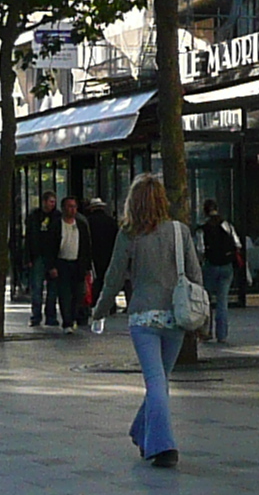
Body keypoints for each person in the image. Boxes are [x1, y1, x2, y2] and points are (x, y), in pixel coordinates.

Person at [93, 174, 203, 468]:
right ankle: (144, 433)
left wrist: (100, 309)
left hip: (143, 317)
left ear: (134, 203)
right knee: (160, 380)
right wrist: (204, 317)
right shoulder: (180, 232)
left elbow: (114, 276)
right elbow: (195, 275)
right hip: (176, 318)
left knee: (156, 381)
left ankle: (163, 446)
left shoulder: (128, 235)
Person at [197, 206, 241, 346]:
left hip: (210, 266)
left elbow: (200, 249)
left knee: (206, 300)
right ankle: (221, 335)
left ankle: (206, 332)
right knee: (222, 302)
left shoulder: (203, 229)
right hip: (226, 266)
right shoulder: (227, 225)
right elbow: (238, 244)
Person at [42, 194, 88, 328]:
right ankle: (67, 321)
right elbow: (49, 247)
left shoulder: (81, 225)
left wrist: (86, 266)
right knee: (64, 294)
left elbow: (86, 246)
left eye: (74, 207)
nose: (72, 210)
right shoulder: (56, 225)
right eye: (69, 207)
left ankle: (73, 317)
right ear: (63, 208)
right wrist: (51, 266)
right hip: (62, 263)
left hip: (77, 264)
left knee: (77, 293)